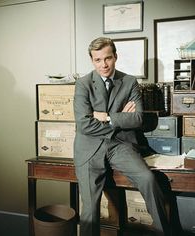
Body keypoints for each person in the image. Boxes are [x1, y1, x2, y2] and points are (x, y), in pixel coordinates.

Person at [73, 37, 170, 236]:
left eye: (107, 58)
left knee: (148, 179)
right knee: (90, 208)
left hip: (120, 145)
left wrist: (106, 117)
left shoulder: (129, 81)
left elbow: (137, 119)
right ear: (92, 60)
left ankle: (164, 232)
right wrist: (119, 121)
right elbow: (83, 124)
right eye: (98, 60)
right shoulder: (83, 84)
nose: (103, 64)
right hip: (89, 148)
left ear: (115, 56)